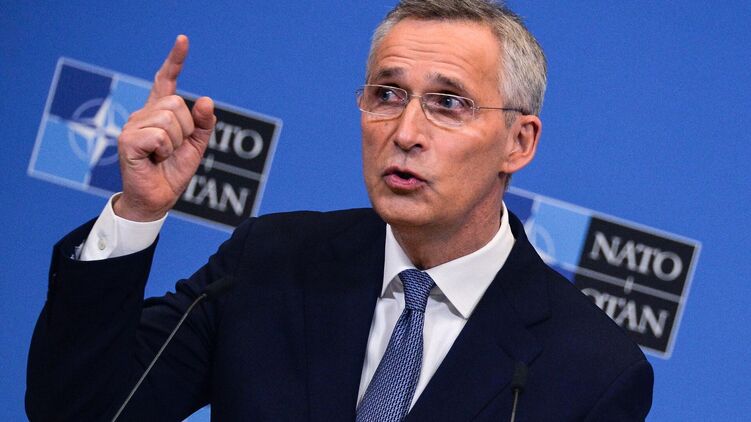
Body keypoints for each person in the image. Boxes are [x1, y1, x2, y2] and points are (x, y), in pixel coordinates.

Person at [26, 1, 653, 421]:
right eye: (387, 94)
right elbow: (80, 411)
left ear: (518, 142)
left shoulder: (594, 370)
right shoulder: (268, 263)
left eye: (448, 103)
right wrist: (137, 211)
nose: (405, 132)